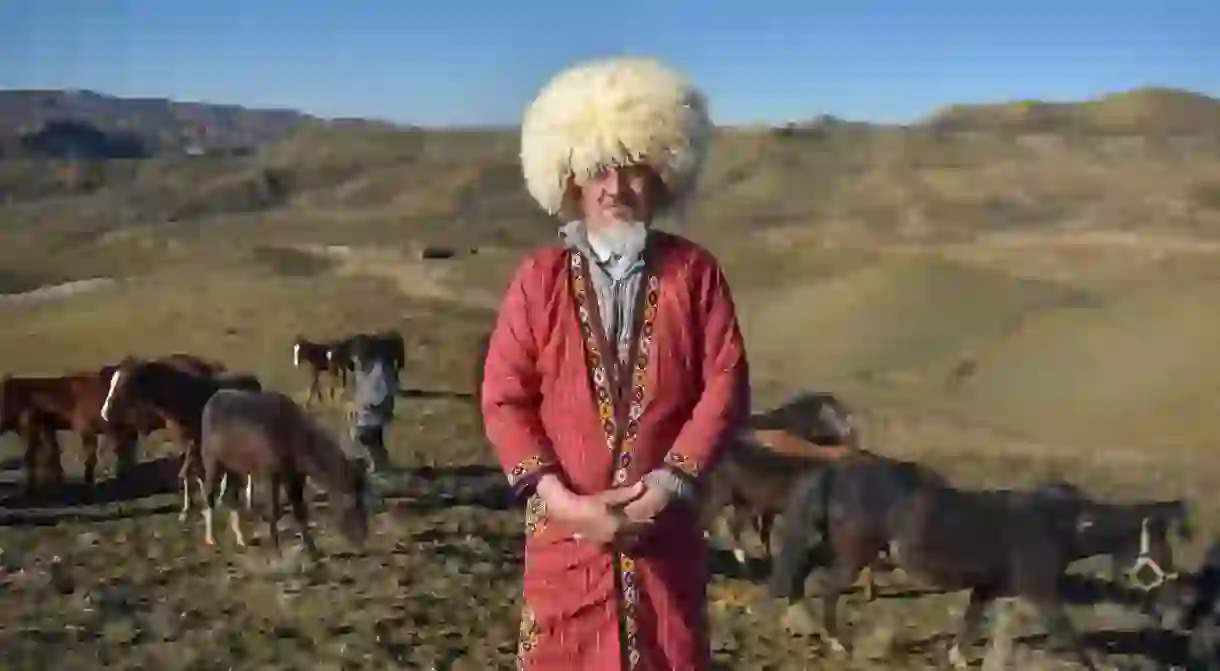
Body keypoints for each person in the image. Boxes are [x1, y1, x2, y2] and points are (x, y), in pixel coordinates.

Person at [481, 56, 750, 671]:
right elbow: (504, 397)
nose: (615, 190)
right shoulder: (538, 280)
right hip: (565, 544)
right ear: (572, 179)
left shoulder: (696, 274)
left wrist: (662, 490)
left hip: (667, 536)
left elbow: (725, 384)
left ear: (661, 176)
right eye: (599, 171)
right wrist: (566, 503)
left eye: (632, 170)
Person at [345, 333, 398, 474]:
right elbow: (359, 388)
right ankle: (381, 461)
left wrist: (378, 406)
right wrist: (354, 405)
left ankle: (379, 463)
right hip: (366, 411)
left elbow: (390, 390)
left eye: (359, 359)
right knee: (367, 437)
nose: (357, 363)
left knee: (364, 435)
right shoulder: (359, 369)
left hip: (379, 410)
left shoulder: (381, 369)